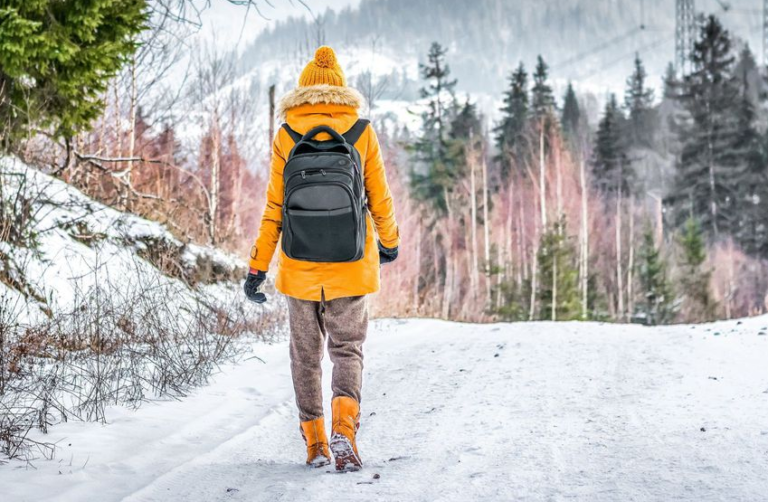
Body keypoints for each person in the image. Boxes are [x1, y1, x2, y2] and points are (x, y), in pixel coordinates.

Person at [243, 46, 399, 472]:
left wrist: (257, 266)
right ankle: (344, 431)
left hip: (299, 267)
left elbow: (274, 207)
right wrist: (389, 241)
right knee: (347, 350)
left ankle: (314, 444)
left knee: (304, 355)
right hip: (351, 263)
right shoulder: (361, 131)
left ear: (304, 91)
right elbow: (379, 197)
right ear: (341, 89)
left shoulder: (286, 134)